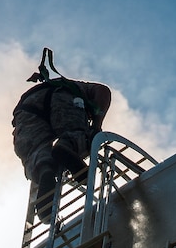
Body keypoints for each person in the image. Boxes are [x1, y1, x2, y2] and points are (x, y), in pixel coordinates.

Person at [12, 49, 111, 222]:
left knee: (36, 150)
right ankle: (66, 146)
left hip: (26, 108)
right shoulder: (83, 87)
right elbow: (103, 91)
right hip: (62, 95)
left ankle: (44, 170)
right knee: (76, 134)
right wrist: (96, 125)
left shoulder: (44, 88)